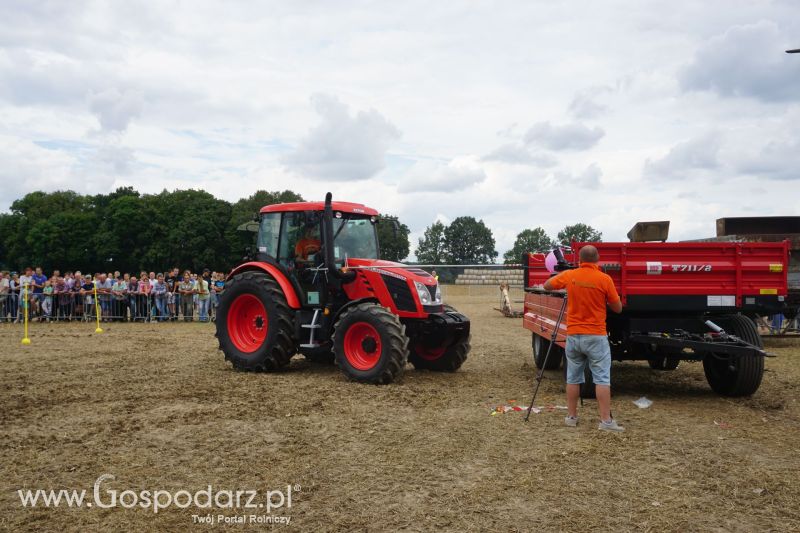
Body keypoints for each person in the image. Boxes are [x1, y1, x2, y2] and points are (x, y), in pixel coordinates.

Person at [543, 245, 624, 432]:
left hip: (573, 335)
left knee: (573, 377)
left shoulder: (571, 275)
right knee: (602, 378)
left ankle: (571, 417)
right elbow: (617, 308)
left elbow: (547, 286)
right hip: (596, 336)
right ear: (597, 260)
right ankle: (605, 421)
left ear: (579, 259)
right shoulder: (604, 279)